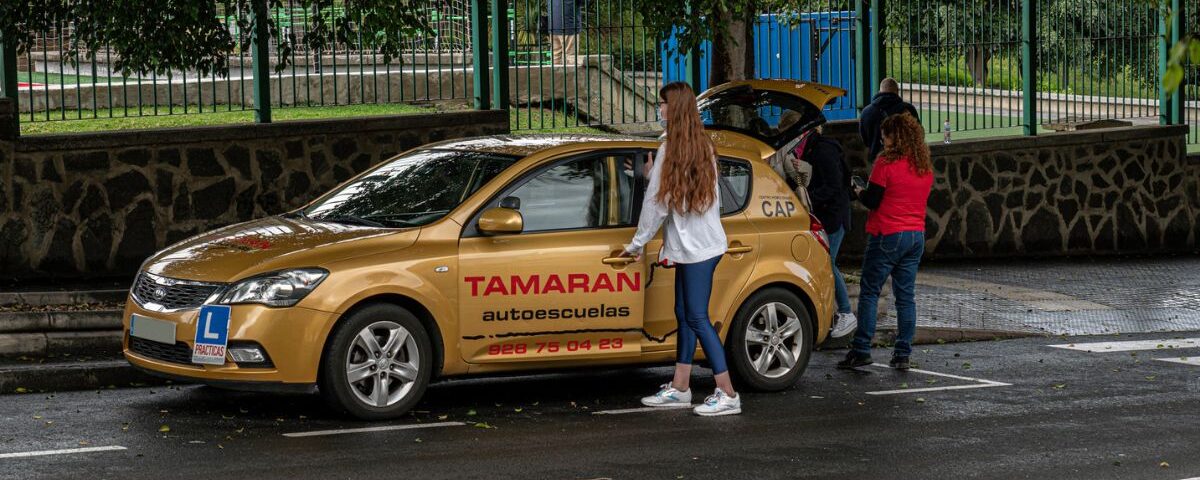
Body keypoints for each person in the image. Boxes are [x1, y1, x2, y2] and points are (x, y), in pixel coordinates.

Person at [622, 82, 740, 417]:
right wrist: (652, 175)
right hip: (700, 245)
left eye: (662, 104)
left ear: (674, 108)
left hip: (697, 249)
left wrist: (636, 245)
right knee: (683, 313)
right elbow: (681, 196)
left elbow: (655, 205)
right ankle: (680, 386)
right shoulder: (701, 145)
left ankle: (727, 392)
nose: (659, 109)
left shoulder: (669, 149)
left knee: (698, 317)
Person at [838, 113, 933, 371]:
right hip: (915, 236)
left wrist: (858, 190)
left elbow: (873, 200)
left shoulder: (885, 164)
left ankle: (861, 350)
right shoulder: (923, 166)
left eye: (885, 136)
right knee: (906, 297)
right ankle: (902, 354)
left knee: (869, 291)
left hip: (888, 234)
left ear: (895, 137)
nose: (882, 141)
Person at [794, 126, 857, 339]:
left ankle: (846, 312)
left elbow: (834, 186)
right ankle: (833, 315)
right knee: (826, 264)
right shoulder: (812, 150)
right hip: (829, 215)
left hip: (833, 217)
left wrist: (807, 197)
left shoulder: (822, 151)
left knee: (827, 264)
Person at [859, 78, 920, 163]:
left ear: (879, 91)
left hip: (877, 160)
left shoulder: (866, 112)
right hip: (904, 161)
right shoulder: (908, 109)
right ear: (897, 91)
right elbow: (918, 135)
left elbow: (865, 140)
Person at [548, 0, 580, 65]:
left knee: (555, 57)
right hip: (569, 26)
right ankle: (570, 75)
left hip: (553, 26)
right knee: (570, 57)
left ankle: (555, 74)